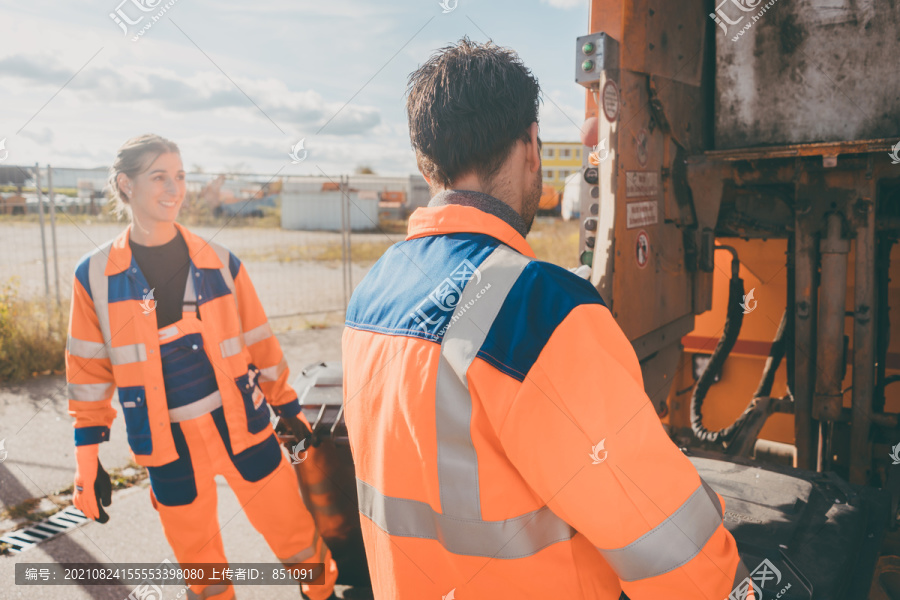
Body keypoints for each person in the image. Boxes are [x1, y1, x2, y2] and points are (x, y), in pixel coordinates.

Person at [341, 38, 746, 599]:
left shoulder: (374, 292)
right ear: (531, 146)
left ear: (425, 160)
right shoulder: (540, 309)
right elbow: (663, 536)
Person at [66, 134, 338, 600]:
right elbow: (87, 374)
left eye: (180, 176)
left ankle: (323, 594)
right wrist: (86, 462)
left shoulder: (219, 261)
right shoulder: (93, 277)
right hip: (166, 443)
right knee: (199, 561)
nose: (174, 188)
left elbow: (259, 341)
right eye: (159, 177)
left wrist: (286, 404)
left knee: (293, 533)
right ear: (124, 185)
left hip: (243, 425)